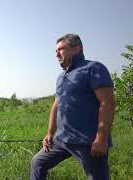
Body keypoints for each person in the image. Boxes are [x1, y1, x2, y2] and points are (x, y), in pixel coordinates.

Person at [30, 34, 115, 180]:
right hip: (61, 139)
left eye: (60, 49)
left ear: (76, 48)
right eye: (55, 51)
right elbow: (56, 105)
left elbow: (107, 103)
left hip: (87, 141)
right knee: (38, 162)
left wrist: (101, 139)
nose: (56, 54)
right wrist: (50, 133)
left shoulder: (93, 68)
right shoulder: (61, 77)